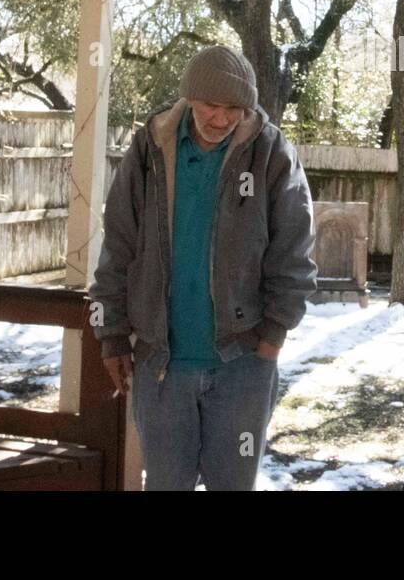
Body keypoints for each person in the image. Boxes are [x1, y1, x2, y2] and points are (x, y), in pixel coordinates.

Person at [90, 44, 316, 490]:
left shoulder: (271, 153)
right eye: (212, 105)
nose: (222, 118)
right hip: (161, 363)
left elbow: (295, 250)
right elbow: (118, 242)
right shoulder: (151, 148)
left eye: (234, 107)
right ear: (190, 98)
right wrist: (112, 333)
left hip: (242, 362)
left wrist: (272, 336)